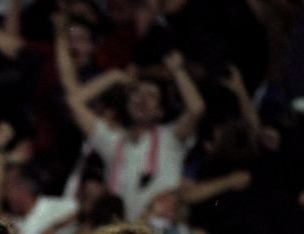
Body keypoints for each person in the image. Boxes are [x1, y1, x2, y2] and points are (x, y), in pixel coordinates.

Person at [62, 50, 206, 220]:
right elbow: (74, 102)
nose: (141, 99)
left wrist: (178, 71)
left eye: (150, 95)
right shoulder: (113, 141)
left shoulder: (170, 138)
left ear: (160, 111)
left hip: (158, 232)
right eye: (136, 93)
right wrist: (113, 76)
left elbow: (197, 109)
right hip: (119, 231)